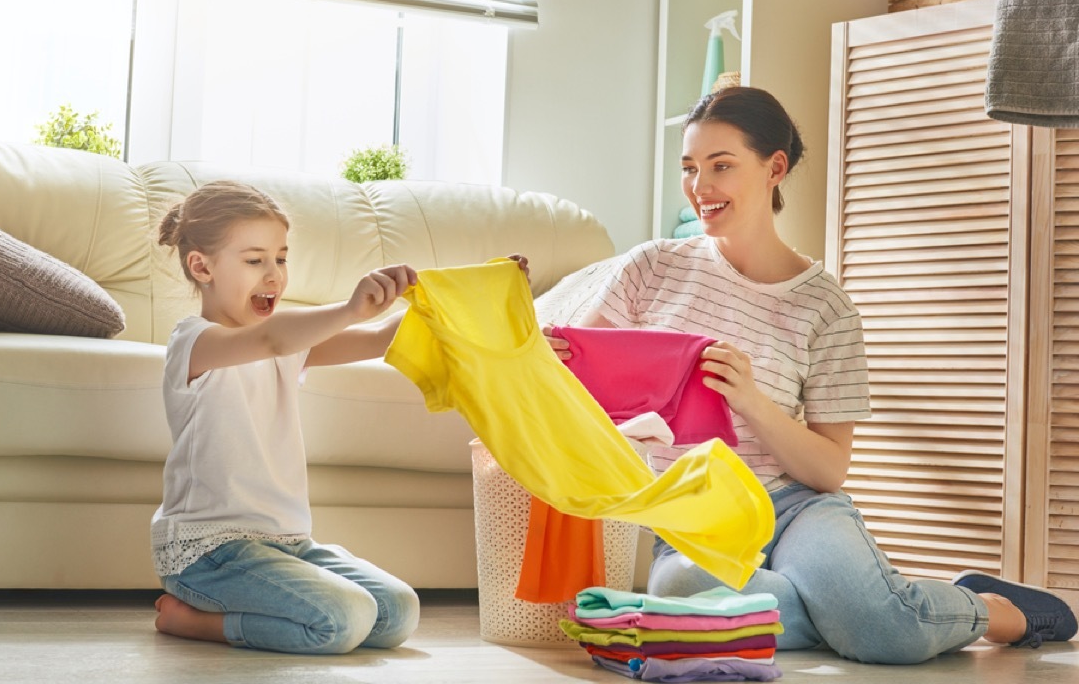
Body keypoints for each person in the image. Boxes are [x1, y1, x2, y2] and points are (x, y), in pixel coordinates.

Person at [544, 86, 1077, 665]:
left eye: (722, 166)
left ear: (775, 167)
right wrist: (537, 355)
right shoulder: (653, 266)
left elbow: (828, 467)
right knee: (678, 589)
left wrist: (750, 401)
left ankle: (990, 609)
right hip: (695, 521)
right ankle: (865, 609)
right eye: (690, 168)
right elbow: (583, 375)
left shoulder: (825, 307)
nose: (701, 187)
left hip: (797, 508)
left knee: (884, 638)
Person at [150, 180, 439, 655]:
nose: (274, 275)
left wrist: (486, 294)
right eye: (254, 260)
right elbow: (273, 340)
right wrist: (350, 307)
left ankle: (300, 595)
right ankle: (196, 623)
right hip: (209, 553)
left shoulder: (284, 343)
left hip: (287, 544)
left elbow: (385, 336)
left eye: (280, 259)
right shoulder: (196, 342)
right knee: (342, 621)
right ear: (201, 266)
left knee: (397, 613)